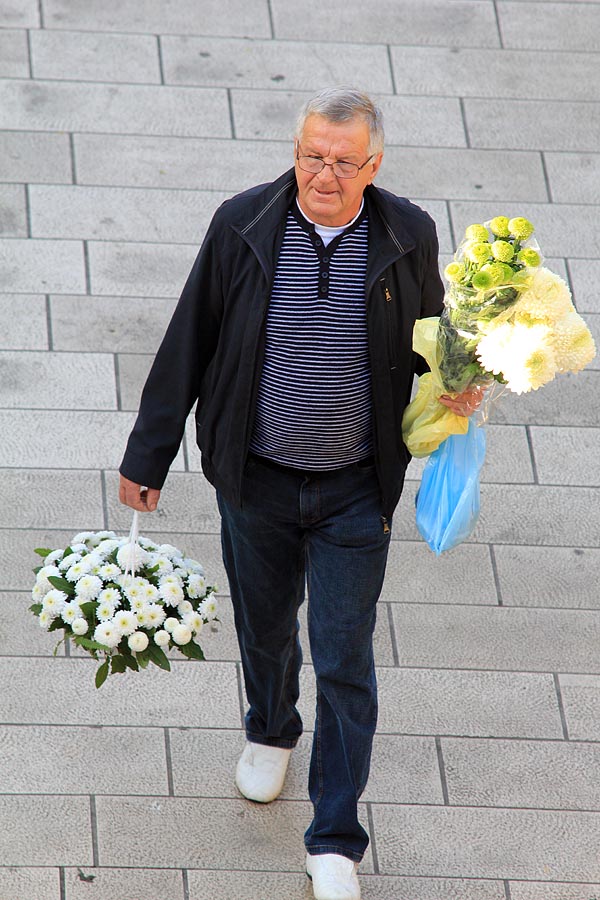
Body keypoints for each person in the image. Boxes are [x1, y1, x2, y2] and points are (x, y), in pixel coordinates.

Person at [119, 87, 480, 900]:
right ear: (296, 151)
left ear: (373, 165)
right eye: (312, 155)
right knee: (266, 628)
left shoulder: (406, 232)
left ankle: (335, 840)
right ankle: (271, 728)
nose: (323, 174)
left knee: (345, 659)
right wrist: (148, 456)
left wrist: (461, 377)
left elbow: (431, 337)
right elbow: (188, 340)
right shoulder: (242, 224)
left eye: (343, 161)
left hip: (355, 490)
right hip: (256, 480)